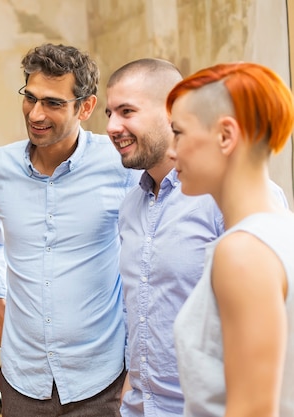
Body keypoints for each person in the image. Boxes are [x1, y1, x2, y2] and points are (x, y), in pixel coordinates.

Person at [0, 43, 139, 416]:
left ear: (86, 107)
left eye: (53, 103)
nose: (35, 114)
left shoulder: (121, 165)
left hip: (101, 378)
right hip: (22, 376)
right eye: (30, 98)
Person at [168, 62, 294, 416]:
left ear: (226, 135)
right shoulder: (284, 229)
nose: (171, 150)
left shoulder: (242, 252)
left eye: (178, 133)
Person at [105, 58, 225, 416]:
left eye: (127, 111)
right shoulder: (129, 206)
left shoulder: (222, 198)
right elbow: (138, 311)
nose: (112, 127)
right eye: (109, 113)